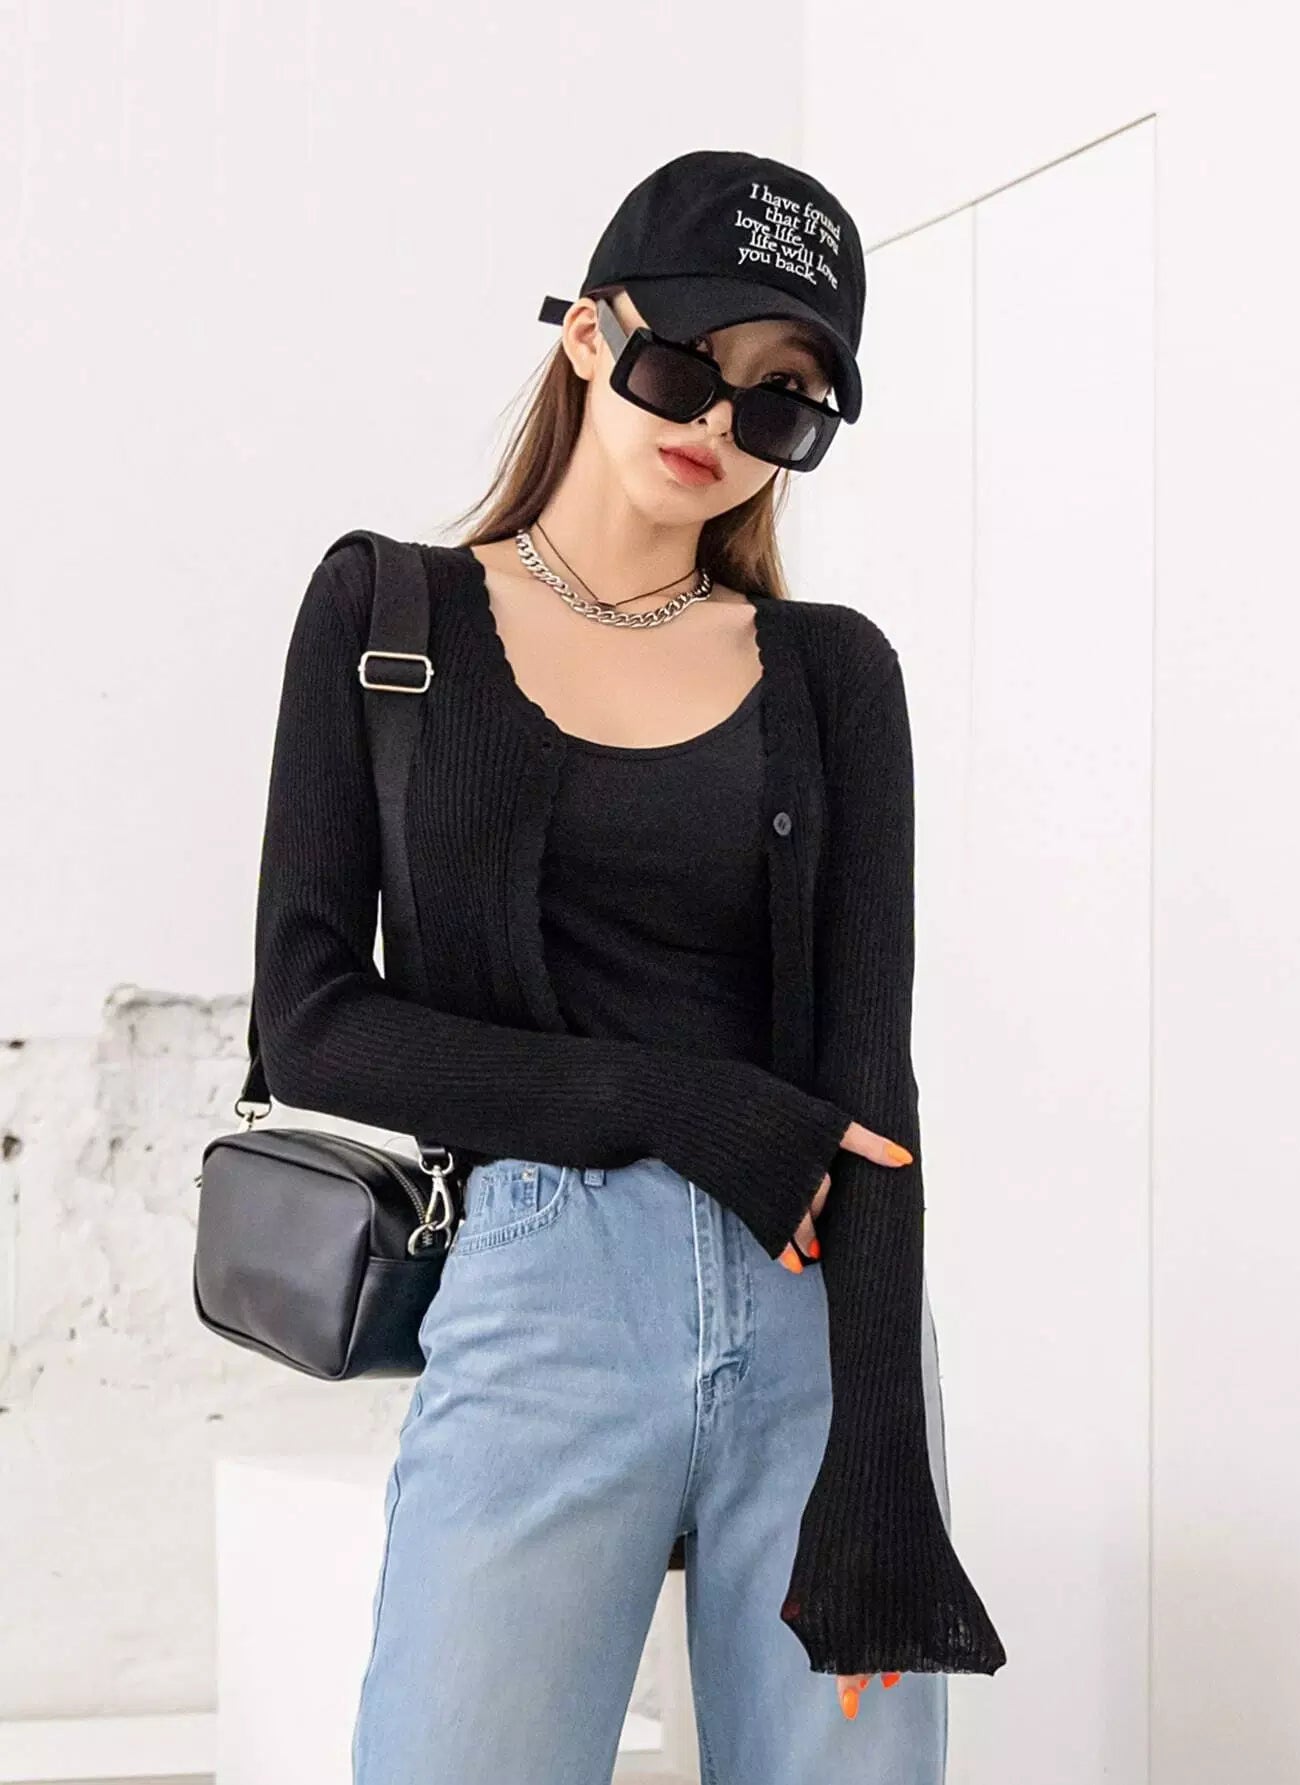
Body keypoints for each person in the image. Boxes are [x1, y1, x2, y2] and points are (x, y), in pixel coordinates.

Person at [252, 148, 1006, 1784]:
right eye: (691, 364)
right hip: (544, 1297)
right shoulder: (388, 614)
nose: (720, 423)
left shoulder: (832, 674)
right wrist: (684, 1106)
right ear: (592, 334)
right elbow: (308, 1024)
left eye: (782, 401)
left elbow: (873, 1091)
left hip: (820, 1327)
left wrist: (883, 1456)